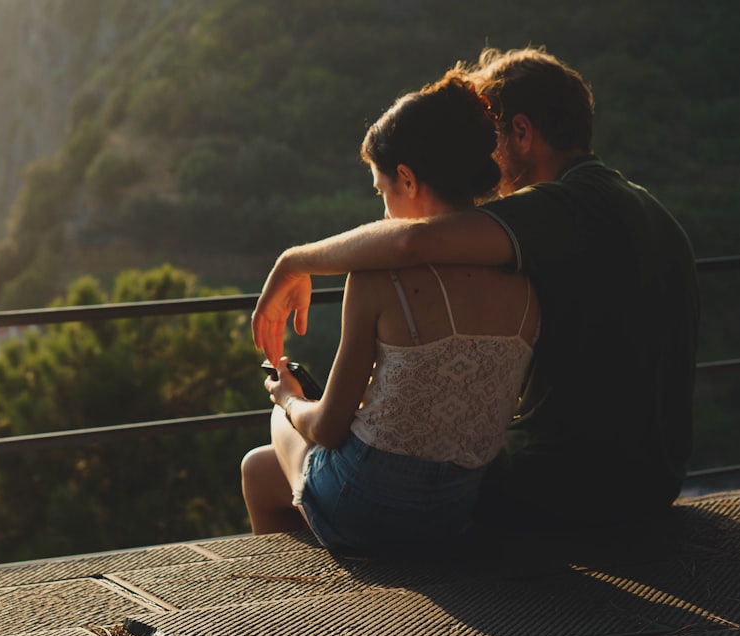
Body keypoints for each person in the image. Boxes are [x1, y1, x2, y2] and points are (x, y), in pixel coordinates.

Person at [250, 47, 700, 529]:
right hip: (655, 482)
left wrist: (293, 260)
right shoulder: (654, 212)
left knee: (269, 464)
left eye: (492, 139)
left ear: (522, 133)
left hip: (565, 487)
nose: (485, 157)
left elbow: (411, 240)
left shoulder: (560, 207)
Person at [240, 74, 540, 551]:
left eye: (382, 192)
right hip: (456, 512)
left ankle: (290, 601)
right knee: (264, 464)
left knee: (268, 448)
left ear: (407, 179)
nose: (382, 214)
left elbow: (327, 428)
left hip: (368, 509)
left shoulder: (379, 277)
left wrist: (288, 399)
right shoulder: (523, 277)